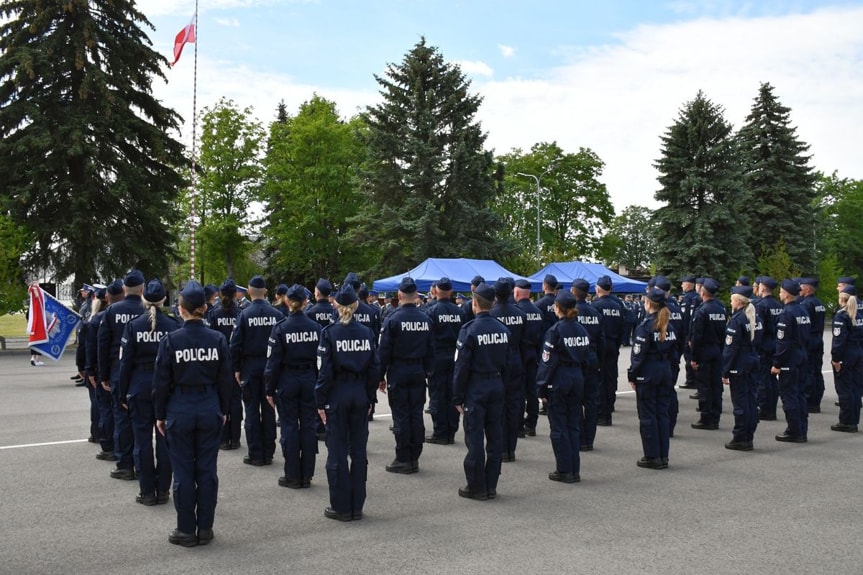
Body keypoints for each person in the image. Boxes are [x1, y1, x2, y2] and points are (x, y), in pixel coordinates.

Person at [154, 280, 233, 547]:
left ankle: (186, 529)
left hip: (181, 408)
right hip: (209, 407)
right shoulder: (218, 339)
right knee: (207, 471)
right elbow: (225, 380)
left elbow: (161, 383)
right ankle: (205, 528)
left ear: (182, 309)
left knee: (184, 471)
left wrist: (160, 414)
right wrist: (223, 410)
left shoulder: (172, 340)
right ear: (203, 307)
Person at [315, 284, 379, 521]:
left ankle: (341, 505)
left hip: (338, 394)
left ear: (337, 306)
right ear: (356, 306)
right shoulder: (366, 332)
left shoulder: (330, 333)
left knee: (338, 451)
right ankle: (356, 505)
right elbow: (374, 368)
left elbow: (324, 372)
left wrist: (320, 402)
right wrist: (370, 397)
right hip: (360, 393)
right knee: (359, 451)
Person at [118, 278, 182, 505]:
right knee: (165, 441)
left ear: (144, 297)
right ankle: (163, 489)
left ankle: (147, 491)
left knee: (142, 441)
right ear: (165, 299)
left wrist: (121, 392)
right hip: (166, 388)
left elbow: (125, 364)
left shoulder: (134, 325)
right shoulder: (173, 325)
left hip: (139, 386)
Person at [453, 282, 510, 501]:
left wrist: (457, 396)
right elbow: (508, 364)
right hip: (496, 384)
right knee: (495, 437)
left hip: (476, 388)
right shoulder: (503, 330)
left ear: (475, 303)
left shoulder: (469, 330)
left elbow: (461, 367)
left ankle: (476, 485)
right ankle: (491, 484)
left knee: (475, 437)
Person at [264, 284, 322, 488]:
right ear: (306, 302)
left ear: (287, 301)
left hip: (287, 380)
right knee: (308, 426)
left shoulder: (281, 328)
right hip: (309, 380)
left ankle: (292, 475)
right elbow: (320, 360)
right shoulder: (316, 328)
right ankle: (307, 474)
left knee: (289, 427)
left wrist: (269, 389)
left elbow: (273, 363)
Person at [378, 277, 434, 473]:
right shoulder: (425, 319)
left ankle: (404, 458)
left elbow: (384, 351)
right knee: (415, 414)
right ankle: (414, 457)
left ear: (400, 295)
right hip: (418, 371)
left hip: (399, 371)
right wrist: (427, 371)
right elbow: (430, 349)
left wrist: (380, 376)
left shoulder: (393, 320)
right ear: (416, 295)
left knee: (401, 415)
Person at [536, 290, 591, 483]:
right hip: (577, 377)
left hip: (559, 379)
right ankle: (574, 469)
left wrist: (541, 388)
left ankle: (564, 469)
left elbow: (547, 362)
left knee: (559, 427)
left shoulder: (555, 331)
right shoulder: (581, 329)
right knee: (573, 425)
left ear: (557, 308)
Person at [230, 275, 284, 466]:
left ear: (249, 292)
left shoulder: (244, 314)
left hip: (250, 367)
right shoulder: (276, 315)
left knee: (252, 410)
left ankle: (256, 453)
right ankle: (268, 451)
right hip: (271, 367)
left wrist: (236, 368)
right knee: (269, 409)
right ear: (266, 292)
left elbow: (235, 344)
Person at [98, 269, 146, 480]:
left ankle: (125, 464)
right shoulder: (148, 310)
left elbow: (103, 344)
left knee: (122, 420)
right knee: (144, 422)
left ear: (124, 289)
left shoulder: (112, 311)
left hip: (118, 372)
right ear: (143, 289)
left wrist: (103, 374)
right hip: (144, 374)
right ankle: (142, 463)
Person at [628, 287, 677, 469]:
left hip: (648, 374)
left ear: (648, 304)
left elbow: (638, 356)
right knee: (662, 414)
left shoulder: (645, 327)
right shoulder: (669, 326)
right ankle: (663, 456)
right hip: (664, 373)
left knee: (648, 416)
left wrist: (632, 375)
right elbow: (674, 354)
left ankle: (652, 456)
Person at [489, 278, 527, 462]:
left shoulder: (491, 313)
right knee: (513, 405)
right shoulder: (520, 313)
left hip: (498, 362)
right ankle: (510, 448)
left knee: (499, 407)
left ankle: (502, 448)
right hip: (516, 360)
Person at [425, 277, 465, 444]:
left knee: (437, 394)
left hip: (437, 357)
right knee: (453, 394)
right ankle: (451, 430)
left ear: (435, 291)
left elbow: (427, 338)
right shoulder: (460, 311)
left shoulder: (432, 311)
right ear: (450, 291)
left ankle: (440, 432)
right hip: (455, 357)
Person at [722, 286, 762, 450]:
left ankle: (740, 437)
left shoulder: (737, 320)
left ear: (738, 301)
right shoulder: (754, 317)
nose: (730, 302)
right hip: (752, 361)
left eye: (732, 299)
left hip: (740, 365)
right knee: (751, 401)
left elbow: (731, 349)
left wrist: (725, 371)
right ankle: (748, 435)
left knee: (740, 404)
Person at [771, 279, 810, 443]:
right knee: (800, 394)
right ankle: (801, 429)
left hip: (790, 359)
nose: (779, 294)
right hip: (801, 356)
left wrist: (777, 364)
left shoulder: (787, 313)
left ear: (786, 294)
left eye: (781, 291)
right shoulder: (803, 310)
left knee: (789, 396)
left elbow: (783, 342)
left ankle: (794, 430)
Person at [207, 279, 243, 450]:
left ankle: (222, 438)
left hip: (218, 363)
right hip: (236, 362)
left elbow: (209, 338)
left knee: (221, 399)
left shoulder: (214, 314)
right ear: (235, 294)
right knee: (235, 400)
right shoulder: (241, 313)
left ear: (220, 294)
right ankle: (235, 438)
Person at [570, 279, 604, 451]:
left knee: (575, 401)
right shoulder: (595, 313)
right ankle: (588, 440)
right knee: (591, 401)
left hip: (576, 361)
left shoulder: (572, 313)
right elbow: (601, 340)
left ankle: (578, 437)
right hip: (592, 359)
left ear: (573, 293)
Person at [689, 278, 726, 430]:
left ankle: (706, 418)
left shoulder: (702, 310)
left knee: (705, 386)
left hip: (704, 351)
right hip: (718, 350)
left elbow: (697, 337)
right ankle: (715, 416)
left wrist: (694, 357)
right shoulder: (721, 309)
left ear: (702, 292)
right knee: (716, 385)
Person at [592, 275, 625, 427]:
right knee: (611, 376)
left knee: (600, 378)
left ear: (597, 288)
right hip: (613, 344)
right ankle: (610, 405)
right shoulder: (618, 306)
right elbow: (623, 326)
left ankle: (601, 413)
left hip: (601, 345)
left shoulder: (595, 305)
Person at [830, 285, 863, 432]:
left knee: (844, 388)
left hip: (846, 354)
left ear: (842, 298)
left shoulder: (842, 315)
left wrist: (836, 359)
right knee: (855, 387)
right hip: (858, 351)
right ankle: (854, 420)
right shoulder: (859, 315)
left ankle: (846, 421)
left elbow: (839, 340)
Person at [514, 279, 543, 437]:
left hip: (520, 354)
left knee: (518, 391)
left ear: (516, 293)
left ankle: (518, 425)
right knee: (532, 390)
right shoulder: (538, 311)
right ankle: (531, 424)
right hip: (534, 353)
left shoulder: (517, 311)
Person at [755, 277, 783, 421]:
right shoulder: (778, 305)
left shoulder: (761, 306)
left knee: (763, 379)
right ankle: (771, 408)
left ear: (763, 288)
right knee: (772, 380)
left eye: (759, 286)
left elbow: (760, 329)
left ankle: (765, 409)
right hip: (775, 343)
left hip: (764, 345)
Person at [798, 278, 826, 413]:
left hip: (809, 340)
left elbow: (804, 326)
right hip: (818, 339)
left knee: (808, 371)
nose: (799, 290)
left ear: (808, 289)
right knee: (817, 370)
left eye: (801, 287)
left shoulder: (806, 304)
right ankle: (816, 400)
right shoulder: (819, 303)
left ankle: (810, 401)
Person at [679, 275, 699, 389]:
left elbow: (688, 318)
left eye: (683, 283)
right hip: (687, 332)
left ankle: (692, 380)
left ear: (689, 284)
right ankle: (691, 379)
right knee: (688, 357)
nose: (682, 285)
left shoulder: (691, 298)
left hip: (687, 332)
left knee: (689, 357)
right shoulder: (690, 297)